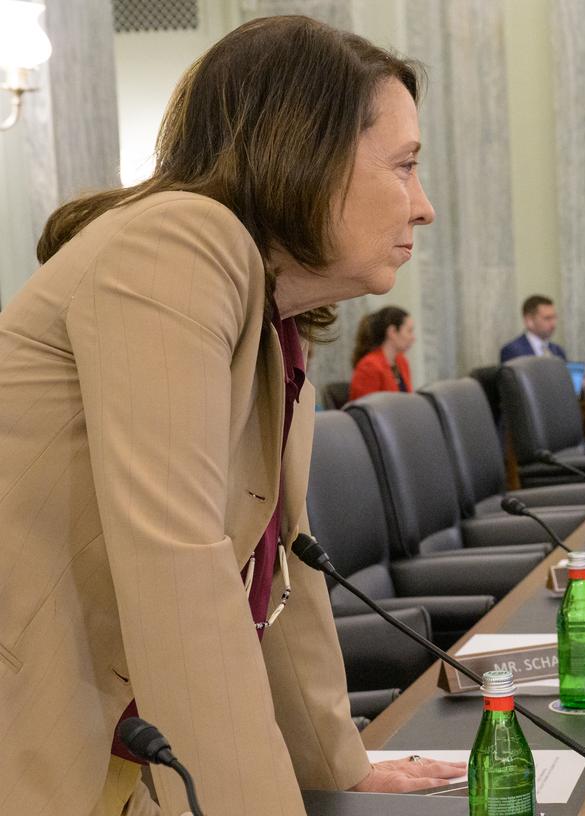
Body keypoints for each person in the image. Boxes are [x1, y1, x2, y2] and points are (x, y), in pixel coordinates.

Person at [0, 17, 465, 816]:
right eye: (405, 166)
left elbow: (278, 572)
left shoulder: (270, 322)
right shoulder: (180, 241)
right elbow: (180, 566)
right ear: (307, 155)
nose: (422, 207)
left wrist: (338, 770)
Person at [349, 306, 415, 401]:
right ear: (392, 332)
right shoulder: (369, 366)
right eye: (409, 331)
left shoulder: (401, 361)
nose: (413, 338)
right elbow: (365, 412)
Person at [499, 294, 567, 361]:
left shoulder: (558, 351)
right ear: (529, 321)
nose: (553, 324)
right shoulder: (512, 351)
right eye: (547, 318)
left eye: (554, 318)